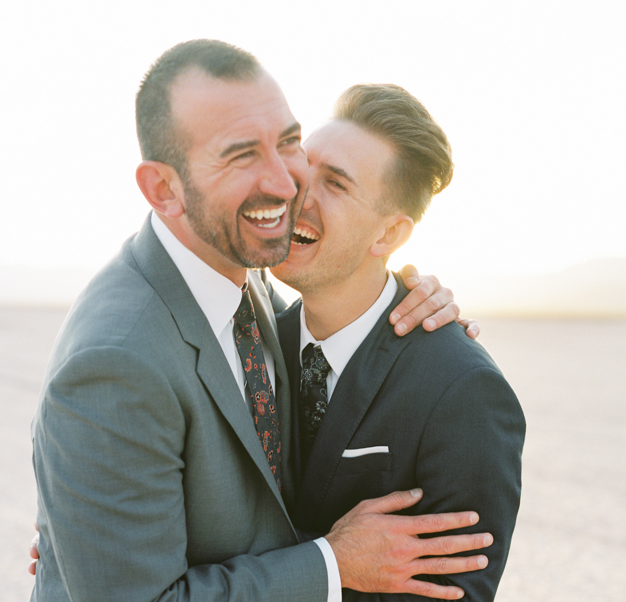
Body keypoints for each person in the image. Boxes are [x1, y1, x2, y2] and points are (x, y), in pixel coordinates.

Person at [30, 40, 490, 602]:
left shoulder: (250, 284)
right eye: (241, 153)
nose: (286, 182)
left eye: (288, 142)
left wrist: (412, 296)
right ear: (163, 189)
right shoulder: (115, 362)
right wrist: (331, 564)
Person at [271, 84, 526, 600]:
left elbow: (454, 592)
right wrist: (328, 561)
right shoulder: (250, 343)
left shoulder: (462, 390)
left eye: (336, 184)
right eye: (303, 165)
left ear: (387, 235)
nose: (298, 191)